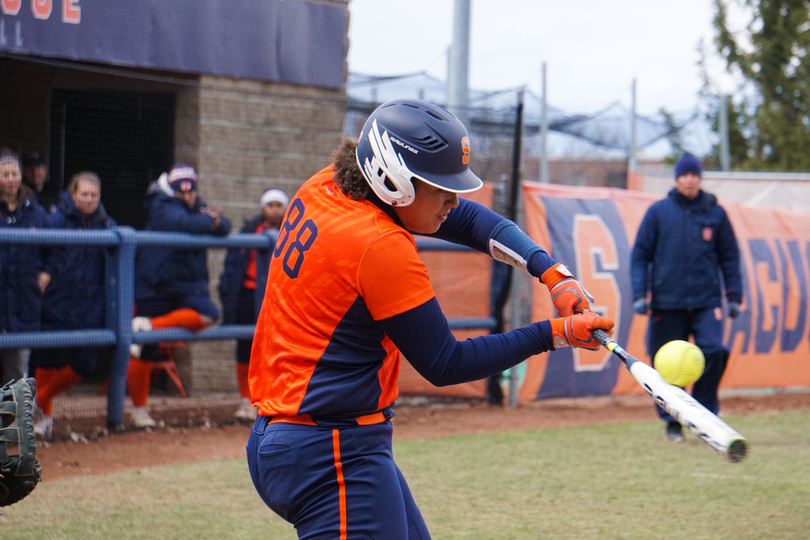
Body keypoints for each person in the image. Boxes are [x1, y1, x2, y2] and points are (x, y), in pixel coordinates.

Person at [245, 98, 614, 539]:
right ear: (395, 182)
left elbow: (470, 220)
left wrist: (552, 273)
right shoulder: (378, 244)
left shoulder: (329, 185)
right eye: (441, 189)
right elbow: (446, 364)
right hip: (330, 453)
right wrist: (557, 334)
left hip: (304, 438)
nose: (454, 201)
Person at [630, 153, 743, 443]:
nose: (689, 179)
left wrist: (733, 295)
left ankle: (704, 413)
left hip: (707, 302)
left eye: (694, 174)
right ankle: (672, 422)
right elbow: (640, 255)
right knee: (667, 365)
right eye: (684, 175)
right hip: (667, 304)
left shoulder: (715, 213)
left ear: (700, 178)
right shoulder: (659, 212)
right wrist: (639, 294)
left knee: (713, 351)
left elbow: (729, 257)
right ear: (676, 178)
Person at [128, 164, 231, 428]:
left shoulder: (196, 204)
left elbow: (225, 225)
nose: (187, 196)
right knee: (144, 350)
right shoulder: (160, 203)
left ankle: (149, 326)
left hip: (186, 287)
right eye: (181, 192)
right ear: (171, 189)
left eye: (191, 191)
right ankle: (138, 410)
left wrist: (213, 221)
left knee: (209, 314)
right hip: (155, 282)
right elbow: (184, 223)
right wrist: (210, 220)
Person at [32, 172, 116, 439]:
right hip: (56, 302)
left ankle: (35, 403)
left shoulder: (106, 225)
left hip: (89, 307)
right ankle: (42, 420)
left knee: (86, 362)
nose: (89, 199)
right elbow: (38, 254)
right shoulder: (54, 219)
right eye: (84, 194)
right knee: (46, 362)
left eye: (94, 195)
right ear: (73, 193)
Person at [218, 188, 288, 421]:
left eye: (279, 205)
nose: (275, 210)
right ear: (263, 208)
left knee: (278, 349)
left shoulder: (295, 230)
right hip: (248, 295)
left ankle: (274, 399)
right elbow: (232, 267)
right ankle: (246, 400)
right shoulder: (249, 230)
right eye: (271, 205)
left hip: (281, 297)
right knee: (245, 348)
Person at [0, 149, 60, 386]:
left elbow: (57, 247)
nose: (11, 178)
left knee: (17, 370)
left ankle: (10, 423)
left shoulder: (35, 211)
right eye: (5, 174)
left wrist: (47, 272)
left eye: (14, 173)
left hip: (24, 302)